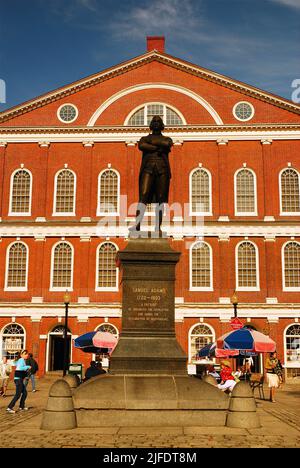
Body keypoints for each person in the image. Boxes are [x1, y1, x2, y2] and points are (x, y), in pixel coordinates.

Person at [129, 115, 173, 235]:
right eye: (154, 121)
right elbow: (142, 145)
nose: (156, 123)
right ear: (151, 125)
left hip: (162, 169)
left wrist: (152, 145)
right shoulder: (144, 138)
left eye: (158, 121)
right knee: (143, 196)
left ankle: (158, 228)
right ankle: (137, 225)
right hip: (148, 169)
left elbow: (168, 143)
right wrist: (159, 146)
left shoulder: (166, 138)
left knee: (160, 200)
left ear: (162, 125)